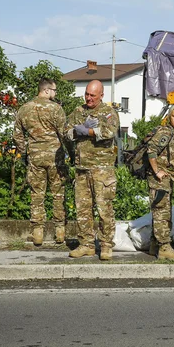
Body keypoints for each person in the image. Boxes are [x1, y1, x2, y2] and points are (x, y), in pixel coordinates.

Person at [65, 80, 119, 261]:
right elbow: (67, 131)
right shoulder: (78, 112)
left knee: (104, 209)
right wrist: (76, 131)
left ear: (101, 95)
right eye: (87, 94)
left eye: (92, 95)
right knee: (83, 209)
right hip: (82, 168)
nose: (88, 98)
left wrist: (89, 131)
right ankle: (86, 244)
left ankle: (105, 245)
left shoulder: (108, 113)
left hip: (102, 169)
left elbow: (109, 131)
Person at [13, 78, 67, 246]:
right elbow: (64, 133)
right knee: (58, 194)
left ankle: (37, 232)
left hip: (35, 156)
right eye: (54, 90)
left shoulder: (24, 109)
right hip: (55, 157)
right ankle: (60, 231)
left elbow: (17, 135)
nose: (55, 93)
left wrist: (23, 152)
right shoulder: (56, 109)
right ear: (46, 90)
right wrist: (68, 153)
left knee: (37, 194)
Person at [146, 105, 174, 260]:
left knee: (163, 211)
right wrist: (156, 171)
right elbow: (151, 150)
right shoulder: (165, 132)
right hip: (159, 179)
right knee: (161, 212)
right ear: (169, 116)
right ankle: (164, 247)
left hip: (168, 179)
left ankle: (154, 245)